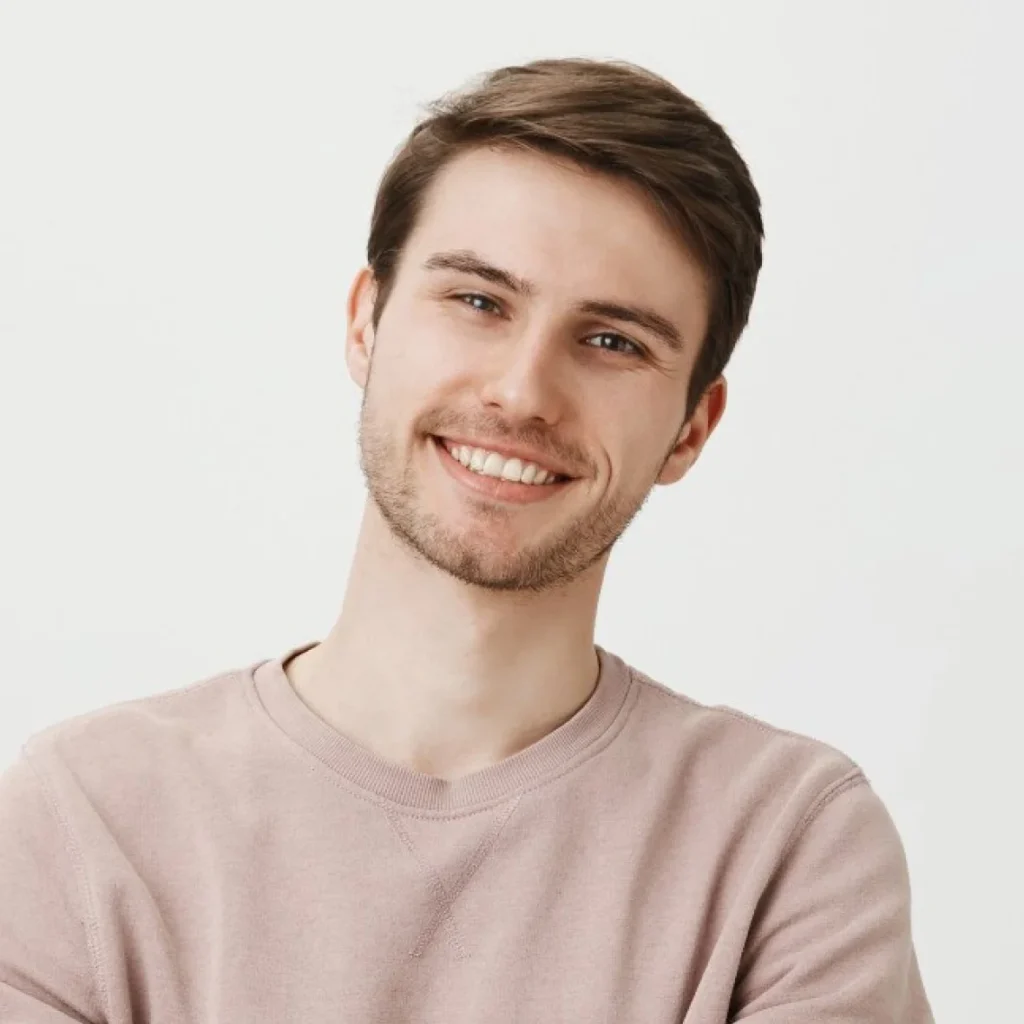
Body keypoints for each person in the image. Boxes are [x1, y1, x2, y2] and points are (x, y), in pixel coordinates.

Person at [0, 57, 933, 1022]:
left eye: (612, 341)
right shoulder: (85, 822)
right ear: (366, 323)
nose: (522, 393)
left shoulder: (789, 847)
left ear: (692, 427)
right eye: (479, 302)